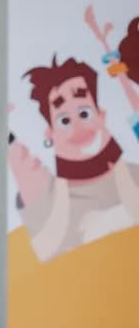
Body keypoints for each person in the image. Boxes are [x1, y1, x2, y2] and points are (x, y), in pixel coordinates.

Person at [8, 50, 139, 262]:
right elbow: (22, 165)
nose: (78, 126)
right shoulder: (49, 204)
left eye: (84, 113)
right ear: (50, 133)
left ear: (101, 115)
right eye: (64, 120)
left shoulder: (135, 176)